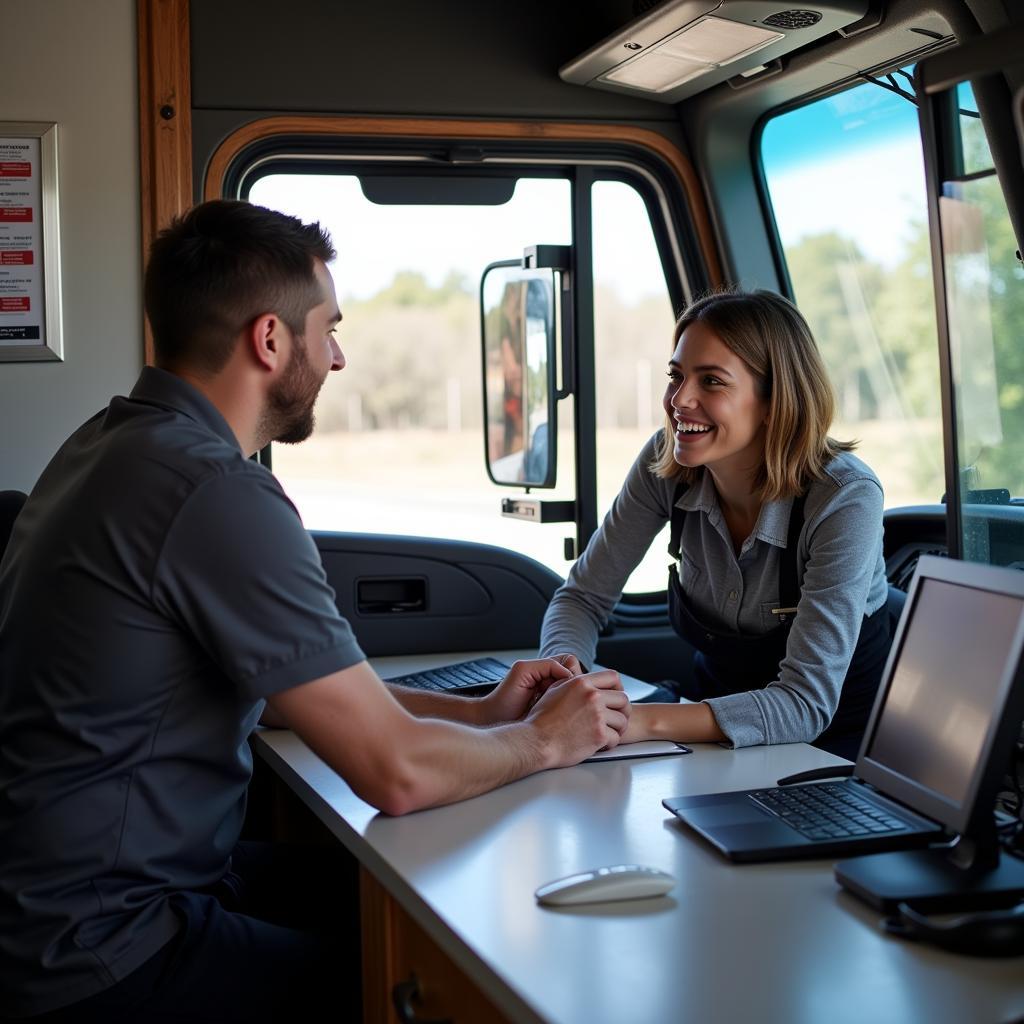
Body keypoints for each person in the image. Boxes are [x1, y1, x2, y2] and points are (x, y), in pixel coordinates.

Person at [0, 199, 629, 1023]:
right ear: (269, 340)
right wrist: (544, 741)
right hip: (99, 948)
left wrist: (481, 715)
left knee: (383, 897)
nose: (336, 357)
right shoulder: (215, 492)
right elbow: (394, 774)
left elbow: (309, 692)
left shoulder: (109, 443)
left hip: (73, 901)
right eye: (328, 328)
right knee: (425, 984)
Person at [540, 290, 891, 760]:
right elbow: (583, 598)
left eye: (711, 381)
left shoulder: (844, 498)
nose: (679, 400)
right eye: (677, 376)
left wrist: (630, 720)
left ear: (773, 400)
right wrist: (563, 679)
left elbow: (805, 704)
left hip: (828, 757)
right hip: (708, 742)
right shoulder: (664, 462)